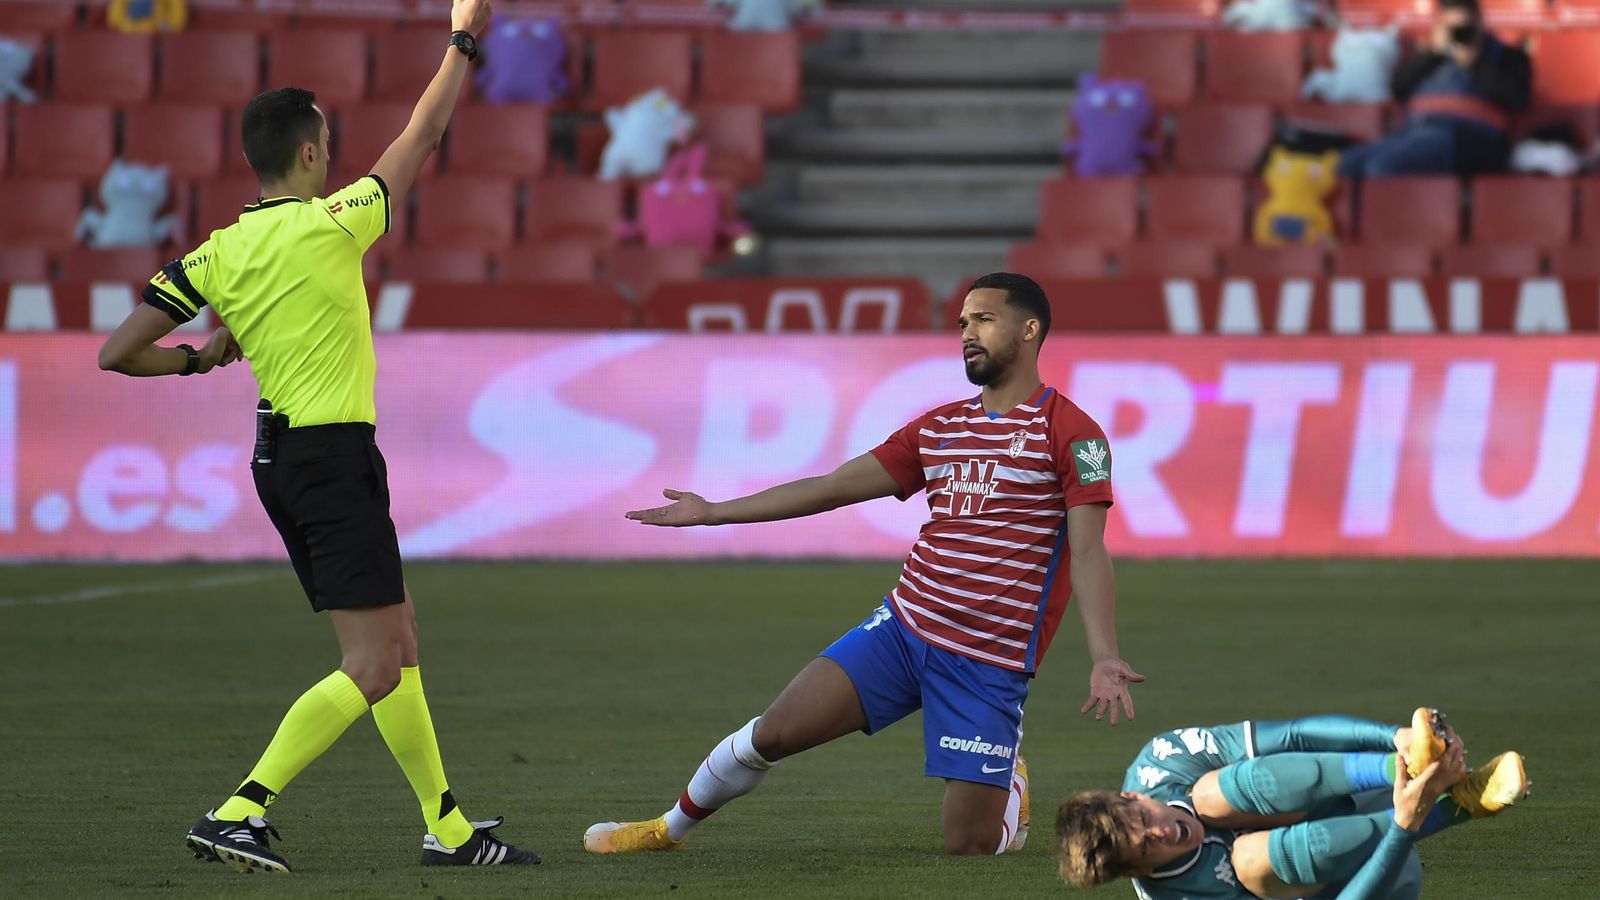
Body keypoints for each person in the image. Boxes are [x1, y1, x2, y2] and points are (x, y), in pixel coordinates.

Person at [96, 0, 539, 874]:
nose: (333, 154)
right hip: (332, 458)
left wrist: (198, 363)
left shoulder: (216, 254)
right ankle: (239, 810)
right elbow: (424, 135)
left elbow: (118, 352)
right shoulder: (336, 223)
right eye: (327, 143)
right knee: (374, 664)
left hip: (283, 458)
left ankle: (445, 827)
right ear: (308, 153)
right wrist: (462, 39)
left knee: (398, 640)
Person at [584, 272, 1143, 857]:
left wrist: (1105, 656)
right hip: (904, 631)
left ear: (1030, 330)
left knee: (970, 846)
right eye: (962, 323)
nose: (966, 334)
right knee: (774, 731)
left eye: (983, 320)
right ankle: (667, 829)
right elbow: (831, 487)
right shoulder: (939, 427)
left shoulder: (1076, 435)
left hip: (988, 662)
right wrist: (715, 512)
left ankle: (1010, 786)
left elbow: (1087, 551)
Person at [1054, 708, 1530, 898]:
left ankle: (1398, 769)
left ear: (1133, 796)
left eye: (1143, 817)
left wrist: (1399, 740)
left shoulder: (1161, 765)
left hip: (1355, 794)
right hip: (1369, 878)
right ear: (1138, 873)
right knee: (1248, 860)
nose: (1160, 830)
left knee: (1210, 794)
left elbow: (1294, 736)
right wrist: (1406, 825)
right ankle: (1460, 805)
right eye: (1145, 847)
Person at [1338, 0, 1532, 178]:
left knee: (1382, 167)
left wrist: (1473, 62)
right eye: (1451, 27)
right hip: (1414, 134)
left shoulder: (1509, 57)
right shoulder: (1431, 57)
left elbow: (1517, 98)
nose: (1458, 33)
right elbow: (1397, 88)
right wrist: (1433, 54)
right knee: (1343, 165)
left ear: (1479, 22)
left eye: (1464, 27)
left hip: (1466, 140)